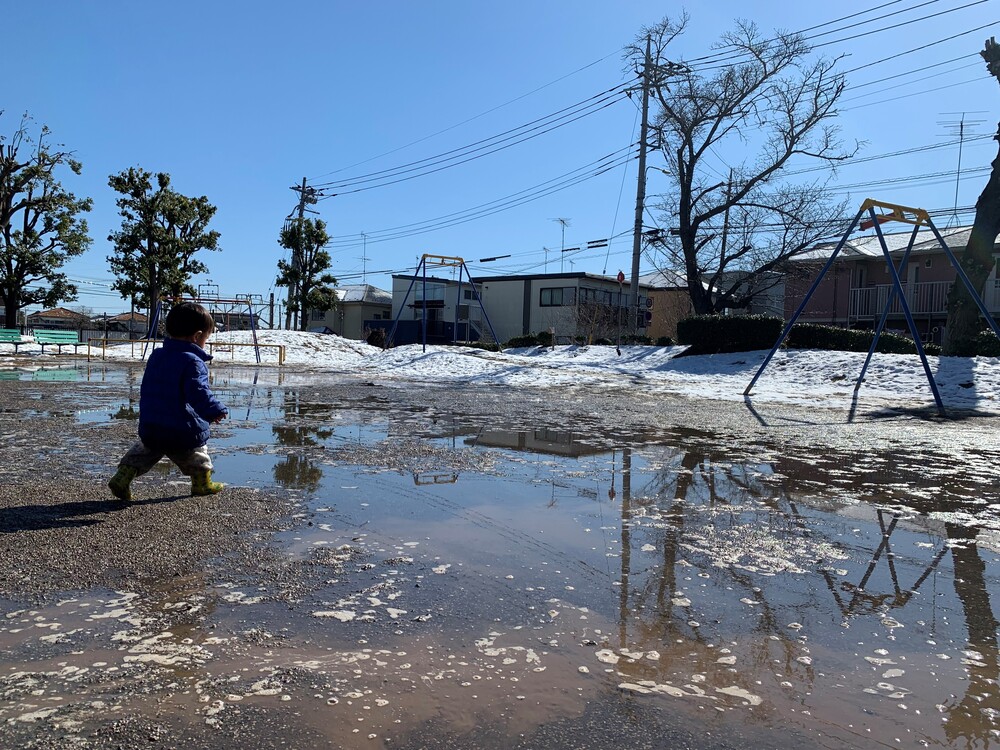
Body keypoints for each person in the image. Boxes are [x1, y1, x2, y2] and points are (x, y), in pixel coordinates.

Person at [108, 302, 228, 501]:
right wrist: (214, 410)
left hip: (153, 424)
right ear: (197, 336)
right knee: (197, 454)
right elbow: (198, 392)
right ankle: (202, 484)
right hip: (182, 428)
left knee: (144, 451)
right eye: (206, 337)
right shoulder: (193, 361)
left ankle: (122, 477)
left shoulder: (157, 355)